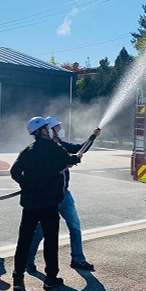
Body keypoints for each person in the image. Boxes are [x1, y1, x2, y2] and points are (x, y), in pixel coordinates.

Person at [10, 116, 82, 291]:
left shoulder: (27, 151)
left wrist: (25, 184)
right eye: (47, 128)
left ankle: (18, 278)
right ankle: (50, 278)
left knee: (24, 240)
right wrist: (77, 157)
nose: (50, 130)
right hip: (49, 204)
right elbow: (69, 160)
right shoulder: (54, 148)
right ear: (42, 130)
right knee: (50, 241)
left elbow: (14, 171)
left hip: (30, 204)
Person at [26, 116, 100, 273]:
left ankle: (78, 258)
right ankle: (28, 260)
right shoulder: (44, 148)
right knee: (40, 231)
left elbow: (80, 148)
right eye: (57, 127)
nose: (60, 129)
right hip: (49, 196)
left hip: (64, 194)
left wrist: (92, 137)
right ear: (48, 130)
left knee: (75, 226)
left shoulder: (61, 144)